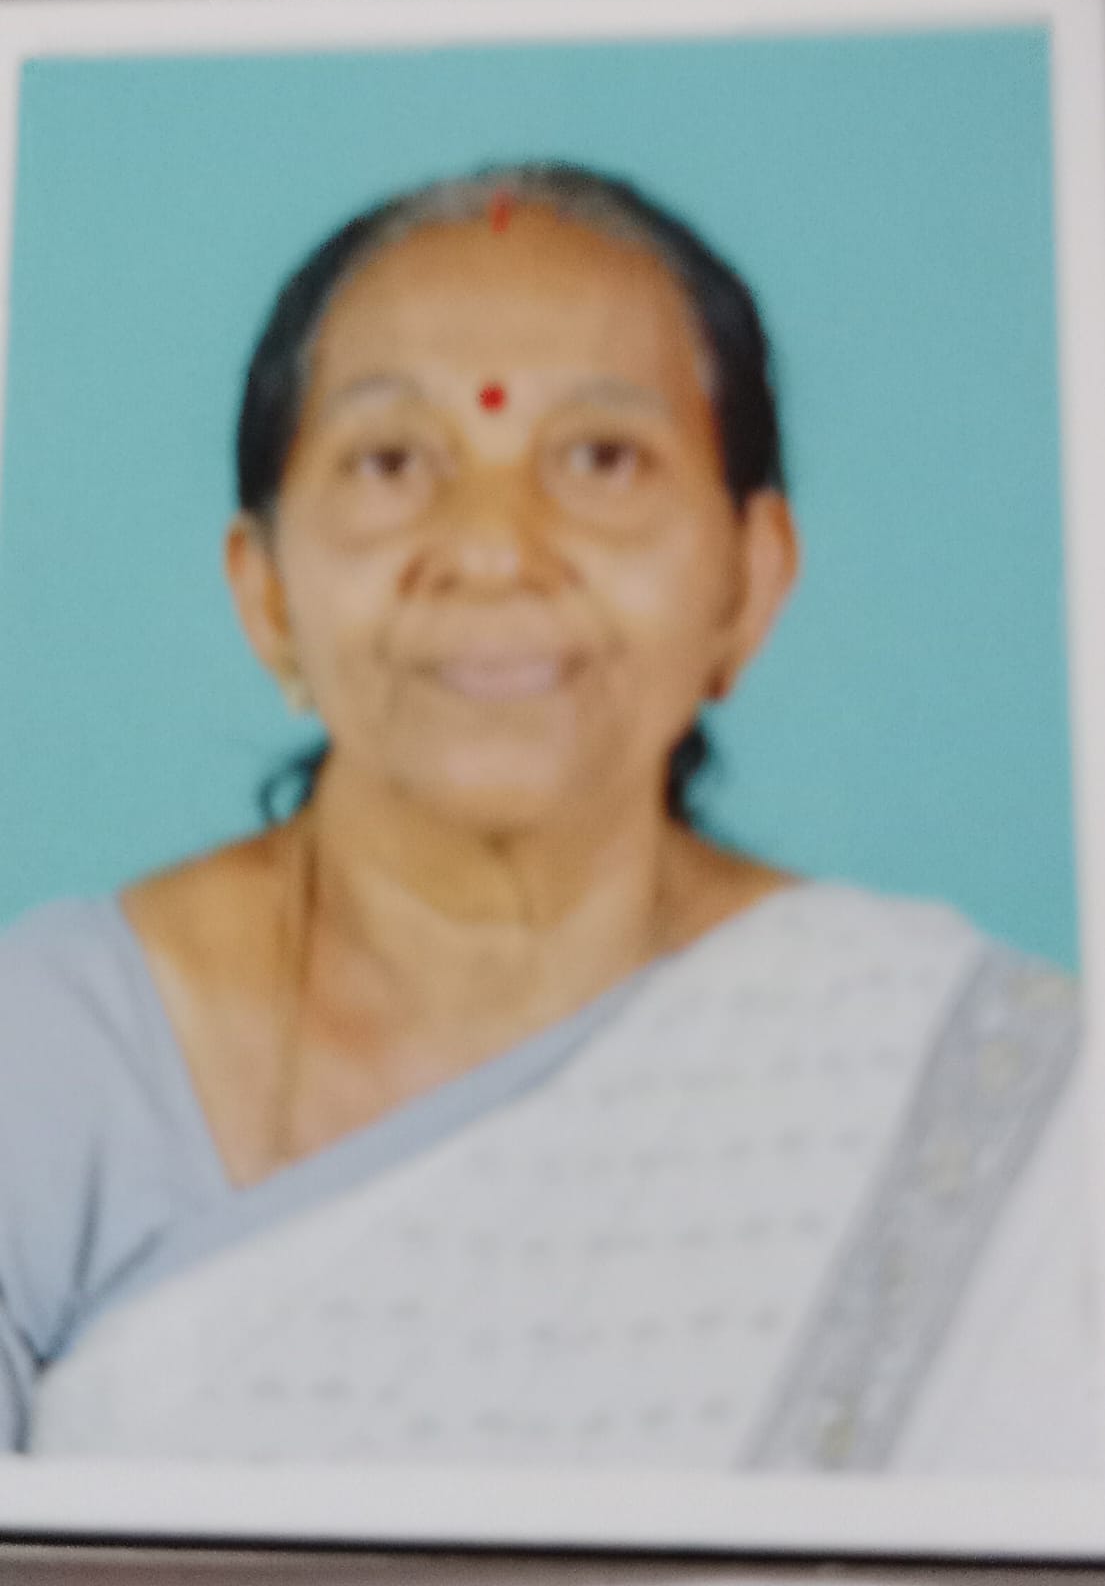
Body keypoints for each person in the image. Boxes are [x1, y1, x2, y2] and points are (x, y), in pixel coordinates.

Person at [0, 163, 1096, 1472]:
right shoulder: (52, 1054)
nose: (492, 549)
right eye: (392, 460)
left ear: (749, 580)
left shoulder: (976, 1078)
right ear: (267, 593)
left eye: (600, 459)